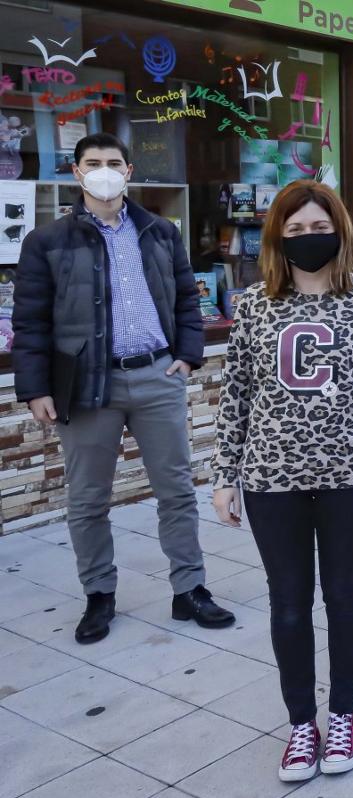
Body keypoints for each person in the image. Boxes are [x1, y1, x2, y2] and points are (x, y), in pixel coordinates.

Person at [211, 180, 353, 781]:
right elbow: (237, 397)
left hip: (352, 474)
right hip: (272, 479)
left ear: (339, 230)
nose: (307, 237)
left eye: (316, 226)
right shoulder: (252, 307)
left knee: (345, 594)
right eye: (294, 230)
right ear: (277, 236)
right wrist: (225, 475)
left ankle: (343, 714)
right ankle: (302, 723)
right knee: (289, 604)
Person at [12, 132, 234, 645]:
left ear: (129, 172)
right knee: (89, 498)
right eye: (94, 163)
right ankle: (99, 594)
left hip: (157, 376)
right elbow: (30, 323)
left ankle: (190, 589)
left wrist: (187, 354)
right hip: (87, 383)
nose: (105, 171)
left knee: (176, 490)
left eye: (114, 162)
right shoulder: (47, 241)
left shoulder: (159, 231)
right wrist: (35, 388)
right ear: (77, 172)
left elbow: (185, 296)